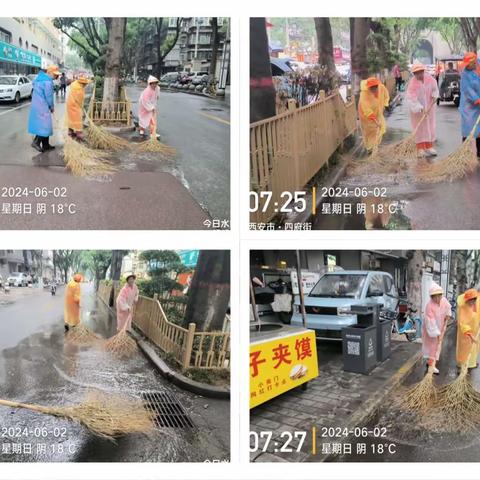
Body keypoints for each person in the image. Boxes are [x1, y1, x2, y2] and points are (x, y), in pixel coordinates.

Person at [406, 63, 439, 158]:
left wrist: (434, 98)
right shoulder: (412, 84)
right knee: (419, 128)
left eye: (420, 72)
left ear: (423, 71)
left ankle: (429, 146)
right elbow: (411, 98)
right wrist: (420, 108)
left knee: (430, 126)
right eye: (416, 73)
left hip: (429, 108)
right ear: (414, 73)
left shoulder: (430, 79)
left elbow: (435, 90)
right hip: (417, 111)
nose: (419, 75)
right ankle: (420, 147)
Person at [28, 64, 60, 153]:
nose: (56, 76)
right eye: (54, 74)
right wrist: (51, 106)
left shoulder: (38, 79)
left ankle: (46, 145)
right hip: (43, 106)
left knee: (44, 125)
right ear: (49, 72)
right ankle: (36, 142)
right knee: (44, 126)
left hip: (36, 105)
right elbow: (49, 96)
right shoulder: (47, 82)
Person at [422, 282, 452, 374]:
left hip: (441, 327)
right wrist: (436, 334)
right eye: (435, 296)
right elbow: (430, 322)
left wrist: (448, 315)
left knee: (436, 347)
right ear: (431, 297)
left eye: (439, 296)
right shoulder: (429, 306)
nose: (438, 298)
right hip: (431, 330)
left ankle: (430, 364)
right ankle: (431, 366)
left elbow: (448, 308)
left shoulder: (444, 301)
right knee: (432, 347)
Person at [358, 77, 390, 152]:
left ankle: (375, 146)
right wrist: (375, 121)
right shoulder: (364, 94)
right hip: (365, 116)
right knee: (369, 131)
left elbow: (386, 96)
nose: (374, 90)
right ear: (368, 87)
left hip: (378, 112)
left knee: (379, 129)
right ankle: (370, 148)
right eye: (371, 88)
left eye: (375, 88)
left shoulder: (381, 87)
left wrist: (385, 105)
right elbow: (366, 109)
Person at [460, 52, 480, 158]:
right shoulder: (465, 73)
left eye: (469, 63)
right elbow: (467, 88)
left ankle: (479, 152)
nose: (467, 66)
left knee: (479, 129)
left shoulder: (479, 67)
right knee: (469, 127)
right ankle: (465, 153)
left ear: (474, 61)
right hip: (469, 105)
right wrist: (476, 99)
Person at [456, 288, 479, 369]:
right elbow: (463, 324)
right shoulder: (463, 308)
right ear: (467, 300)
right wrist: (470, 335)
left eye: (474, 300)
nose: (473, 303)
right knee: (463, 350)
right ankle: (462, 366)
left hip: (473, 331)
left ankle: (469, 364)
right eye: (471, 301)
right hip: (465, 334)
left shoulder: (474, 304)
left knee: (471, 350)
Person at [66, 73, 91, 141]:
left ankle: (70, 132)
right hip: (75, 106)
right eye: (85, 83)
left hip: (70, 104)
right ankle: (79, 134)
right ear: (82, 83)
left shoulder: (74, 84)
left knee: (71, 119)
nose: (86, 85)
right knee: (77, 119)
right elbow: (80, 101)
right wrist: (81, 106)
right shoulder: (79, 89)